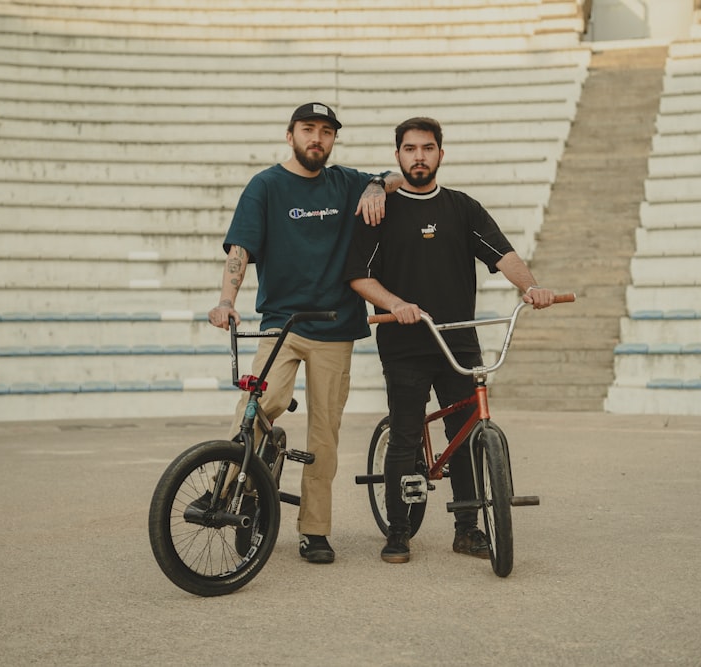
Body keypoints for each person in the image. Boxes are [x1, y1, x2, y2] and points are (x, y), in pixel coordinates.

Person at [342, 117, 556, 564]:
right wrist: (397, 304)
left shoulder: (463, 208)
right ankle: (398, 531)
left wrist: (531, 287)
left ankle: (468, 529)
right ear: (397, 155)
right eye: (410, 149)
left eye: (427, 148)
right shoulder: (379, 210)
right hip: (404, 343)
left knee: (464, 434)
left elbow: (504, 255)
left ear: (441, 153)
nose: (419, 156)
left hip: (458, 341)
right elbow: (359, 277)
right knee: (404, 436)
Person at [208, 102, 403, 564]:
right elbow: (241, 249)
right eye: (308, 129)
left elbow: (396, 179)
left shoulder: (346, 181)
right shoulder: (266, 186)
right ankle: (237, 491)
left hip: (336, 329)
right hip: (282, 324)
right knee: (260, 404)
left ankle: (314, 530)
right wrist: (225, 301)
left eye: (326, 132)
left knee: (324, 435)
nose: (317, 138)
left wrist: (376, 184)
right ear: (290, 134)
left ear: (333, 139)